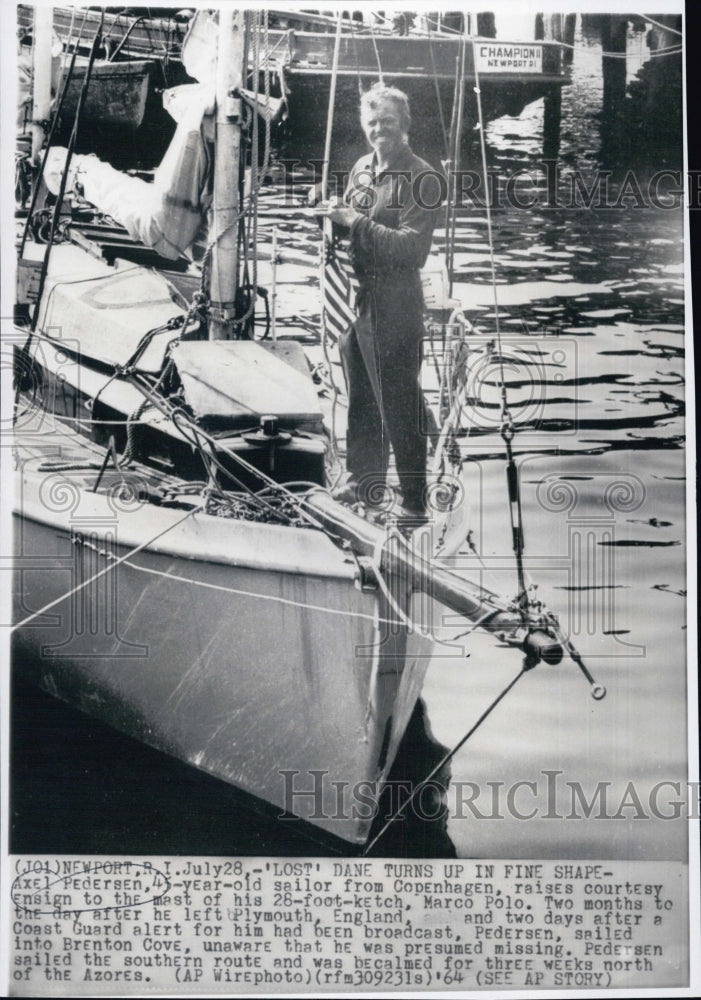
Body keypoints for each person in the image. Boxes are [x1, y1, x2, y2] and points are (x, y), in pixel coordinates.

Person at [317, 83, 443, 519]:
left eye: (387, 121)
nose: (378, 130)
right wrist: (331, 221)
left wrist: (354, 221)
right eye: (372, 123)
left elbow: (413, 249)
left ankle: (413, 502)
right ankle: (363, 484)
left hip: (397, 303)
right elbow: (353, 228)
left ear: (404, 125)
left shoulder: (423, 177)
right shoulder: (361, 169)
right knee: (363, 398)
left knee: (398, 401)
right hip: (360, 298)